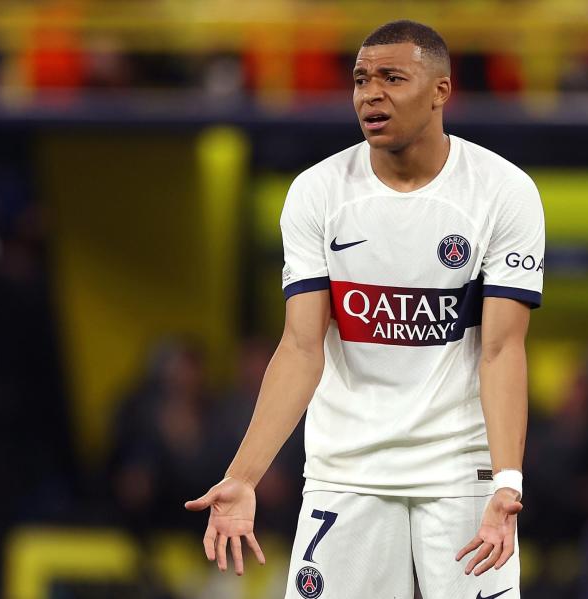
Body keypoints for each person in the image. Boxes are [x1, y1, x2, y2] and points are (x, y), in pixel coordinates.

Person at [185, 20, 545, 599]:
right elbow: (301, 347)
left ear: (440, 91)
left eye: (391, 77)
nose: (369, 93)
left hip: (459, 475)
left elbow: (502, 349)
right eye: (359, 79)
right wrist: (243, 476)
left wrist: (506, 479)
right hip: (345, 474)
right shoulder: (317, 193)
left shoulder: (503, 193)